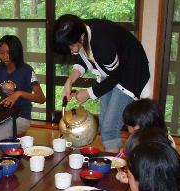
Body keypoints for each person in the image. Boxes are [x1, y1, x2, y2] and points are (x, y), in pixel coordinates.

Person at [52, 14, 150, 152]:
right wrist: (69, 81)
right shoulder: (80, 31)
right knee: (104, 123)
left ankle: (112, 167)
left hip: (131, 72)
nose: (70, 52)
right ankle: (113, 160)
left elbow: (117, 75)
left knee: (110, 128)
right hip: (112, 71)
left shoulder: (100, 42)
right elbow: (82, 58)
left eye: (69, 47)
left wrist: (88, 93)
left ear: (79, 38)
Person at [0, 35, 45, 137]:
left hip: (22, 117)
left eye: (8, 53)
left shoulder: (27, 70)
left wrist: (19, 93)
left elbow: (41, 98)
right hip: (3, 115)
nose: (5, 56)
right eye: (2, 53)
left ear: (15, 52)